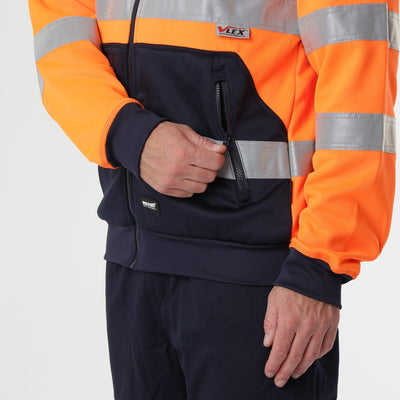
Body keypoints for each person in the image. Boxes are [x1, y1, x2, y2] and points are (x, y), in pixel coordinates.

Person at [28, 1, 399, 399]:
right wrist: (128, 133)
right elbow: (60, 36)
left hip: (263, 278)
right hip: (135, 262)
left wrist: (318, 268)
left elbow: (358, 86)